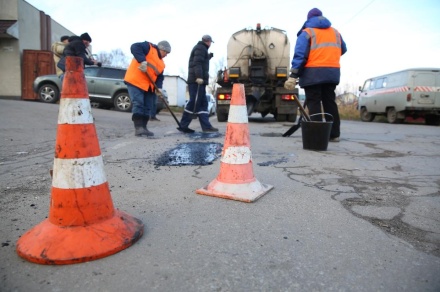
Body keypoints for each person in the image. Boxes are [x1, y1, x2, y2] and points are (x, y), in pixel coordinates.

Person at [284, 8, 347, 142]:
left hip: (313, 73)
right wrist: (328, 58)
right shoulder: (335, 32)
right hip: (332, 72)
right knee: (329, 101)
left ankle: (318, 135)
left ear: (308, 19)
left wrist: (293, 75)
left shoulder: (307, 33)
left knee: (314, 102)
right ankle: (334, 133)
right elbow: (343, 49)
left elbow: (300, 56)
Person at [124, 40, 171, 136]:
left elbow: (159, 77)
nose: (166, 55)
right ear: (161, 48)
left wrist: (159, 88)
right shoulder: (149, 48)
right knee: (139, 103)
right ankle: (138, 128)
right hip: (136, 81)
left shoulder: (162, 64)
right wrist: (142, 61)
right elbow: (134, 46)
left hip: (149, 86)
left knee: (148, 107)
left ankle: (144, 127)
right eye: (165, 52)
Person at [177, 35, 218, 133]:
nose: (210, 44)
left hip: (200, 81)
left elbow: (201, 61)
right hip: (196, 81)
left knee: (203, 103)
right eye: (210, 42)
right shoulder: (200, 48)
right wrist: (199, 77)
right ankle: (183, 125)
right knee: (194, 102)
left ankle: (206, 126)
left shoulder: (202, 49)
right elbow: (197, 63)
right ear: (208, 41)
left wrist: (208, 57)